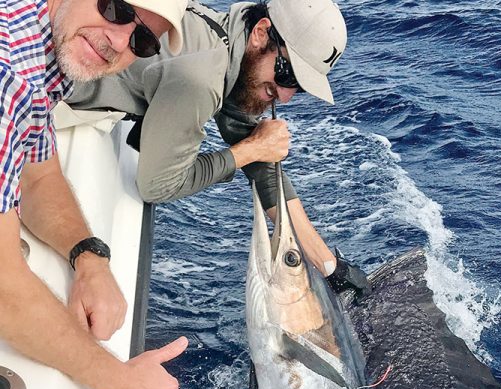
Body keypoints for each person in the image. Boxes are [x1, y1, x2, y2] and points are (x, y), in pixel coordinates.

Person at [68, 0, 370, 294]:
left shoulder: (233, 49)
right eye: (287, 74)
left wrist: (332, 268)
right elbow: (156, 187)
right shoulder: (202, 79)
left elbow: (265, 169)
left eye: (299, 86)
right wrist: (248, 150)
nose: (286, 95)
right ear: (261, 33)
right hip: (59, 93)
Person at [0, 0, 190, 389]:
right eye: (117, 8)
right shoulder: (6, 72)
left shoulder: (40, 56)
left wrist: (89, 259)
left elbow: (37, 178)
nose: (118, 41)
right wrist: (118, 382)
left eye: (142, 39)